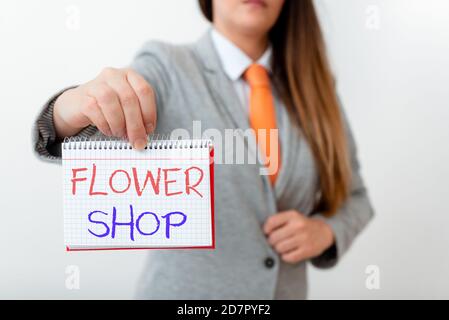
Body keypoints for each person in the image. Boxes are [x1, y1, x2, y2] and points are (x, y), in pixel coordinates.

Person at [33, 0, 374, 299]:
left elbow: (357, 197)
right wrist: (68, 110)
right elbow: (83, 138)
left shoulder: (315, 88)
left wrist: (327, 231)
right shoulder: (166, 67)